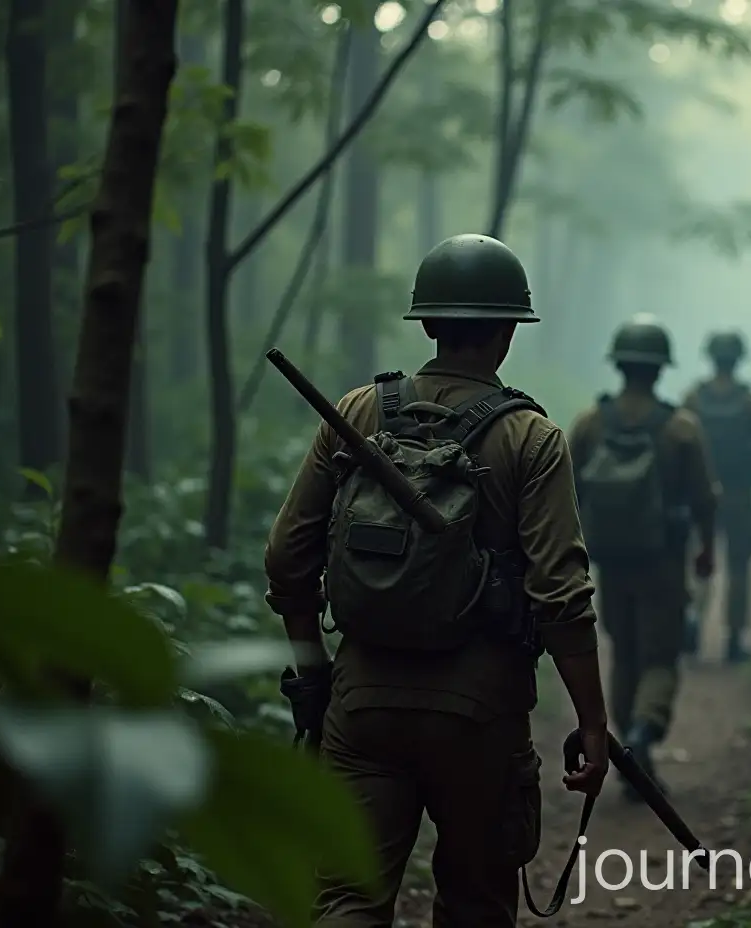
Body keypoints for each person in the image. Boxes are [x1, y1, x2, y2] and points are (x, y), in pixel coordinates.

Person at [263, 233, 610, 928]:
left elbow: (285, 559)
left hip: (361, 702)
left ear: (426, 322)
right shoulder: (531, 439)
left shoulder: (358, 413)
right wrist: (593, 723)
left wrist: (315, 676)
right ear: (509, 331)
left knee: (347, 900)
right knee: (477, 904)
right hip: (480, 712)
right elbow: (561, 596)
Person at [568, 315, 716, 799]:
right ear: (659, 369)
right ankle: (644, 732)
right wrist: (706, 549)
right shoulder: (680, 428)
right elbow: (702, 499)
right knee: (662, 656)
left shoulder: (591, 422)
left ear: (619, 364)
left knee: (625, 654)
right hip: (664, 563)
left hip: (610, 562)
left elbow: (566, 492)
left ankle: (632, 763)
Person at [682, 330, 751, 664]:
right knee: (738, 566)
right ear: (738, 359)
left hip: (698, 494)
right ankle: (733, 640)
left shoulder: (693, 399)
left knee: (698, 561)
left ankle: (692, 623)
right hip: (738, 496)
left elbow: (677, 444)